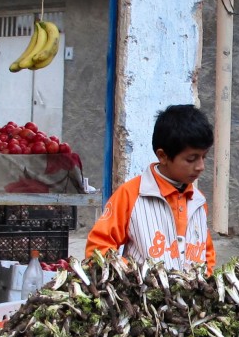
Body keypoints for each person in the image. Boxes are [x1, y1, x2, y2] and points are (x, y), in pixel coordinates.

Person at [85, 104, 216, 274]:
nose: (200, 166)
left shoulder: (198, 201)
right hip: (140, 297)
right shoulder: (130, 195)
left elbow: (207, 255)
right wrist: (132, 275)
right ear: (163, 156)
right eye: (192, 159)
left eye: (203, 157)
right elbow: (98, 248)